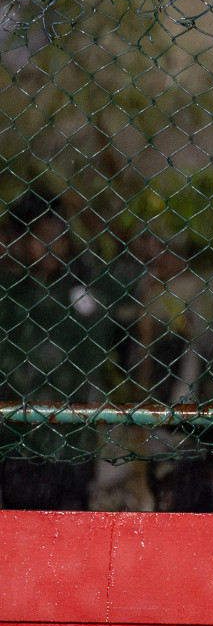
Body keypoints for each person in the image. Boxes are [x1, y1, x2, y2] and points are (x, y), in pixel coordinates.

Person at [0, 189, 137, 510]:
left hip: (73, 446)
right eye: (41, 236)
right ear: (20, 240)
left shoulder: (86, 286)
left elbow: (134, 271)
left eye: (60, 235)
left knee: (71, 527)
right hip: (17, 447)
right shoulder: (9, 294)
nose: (53, 244)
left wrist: (84, 209)